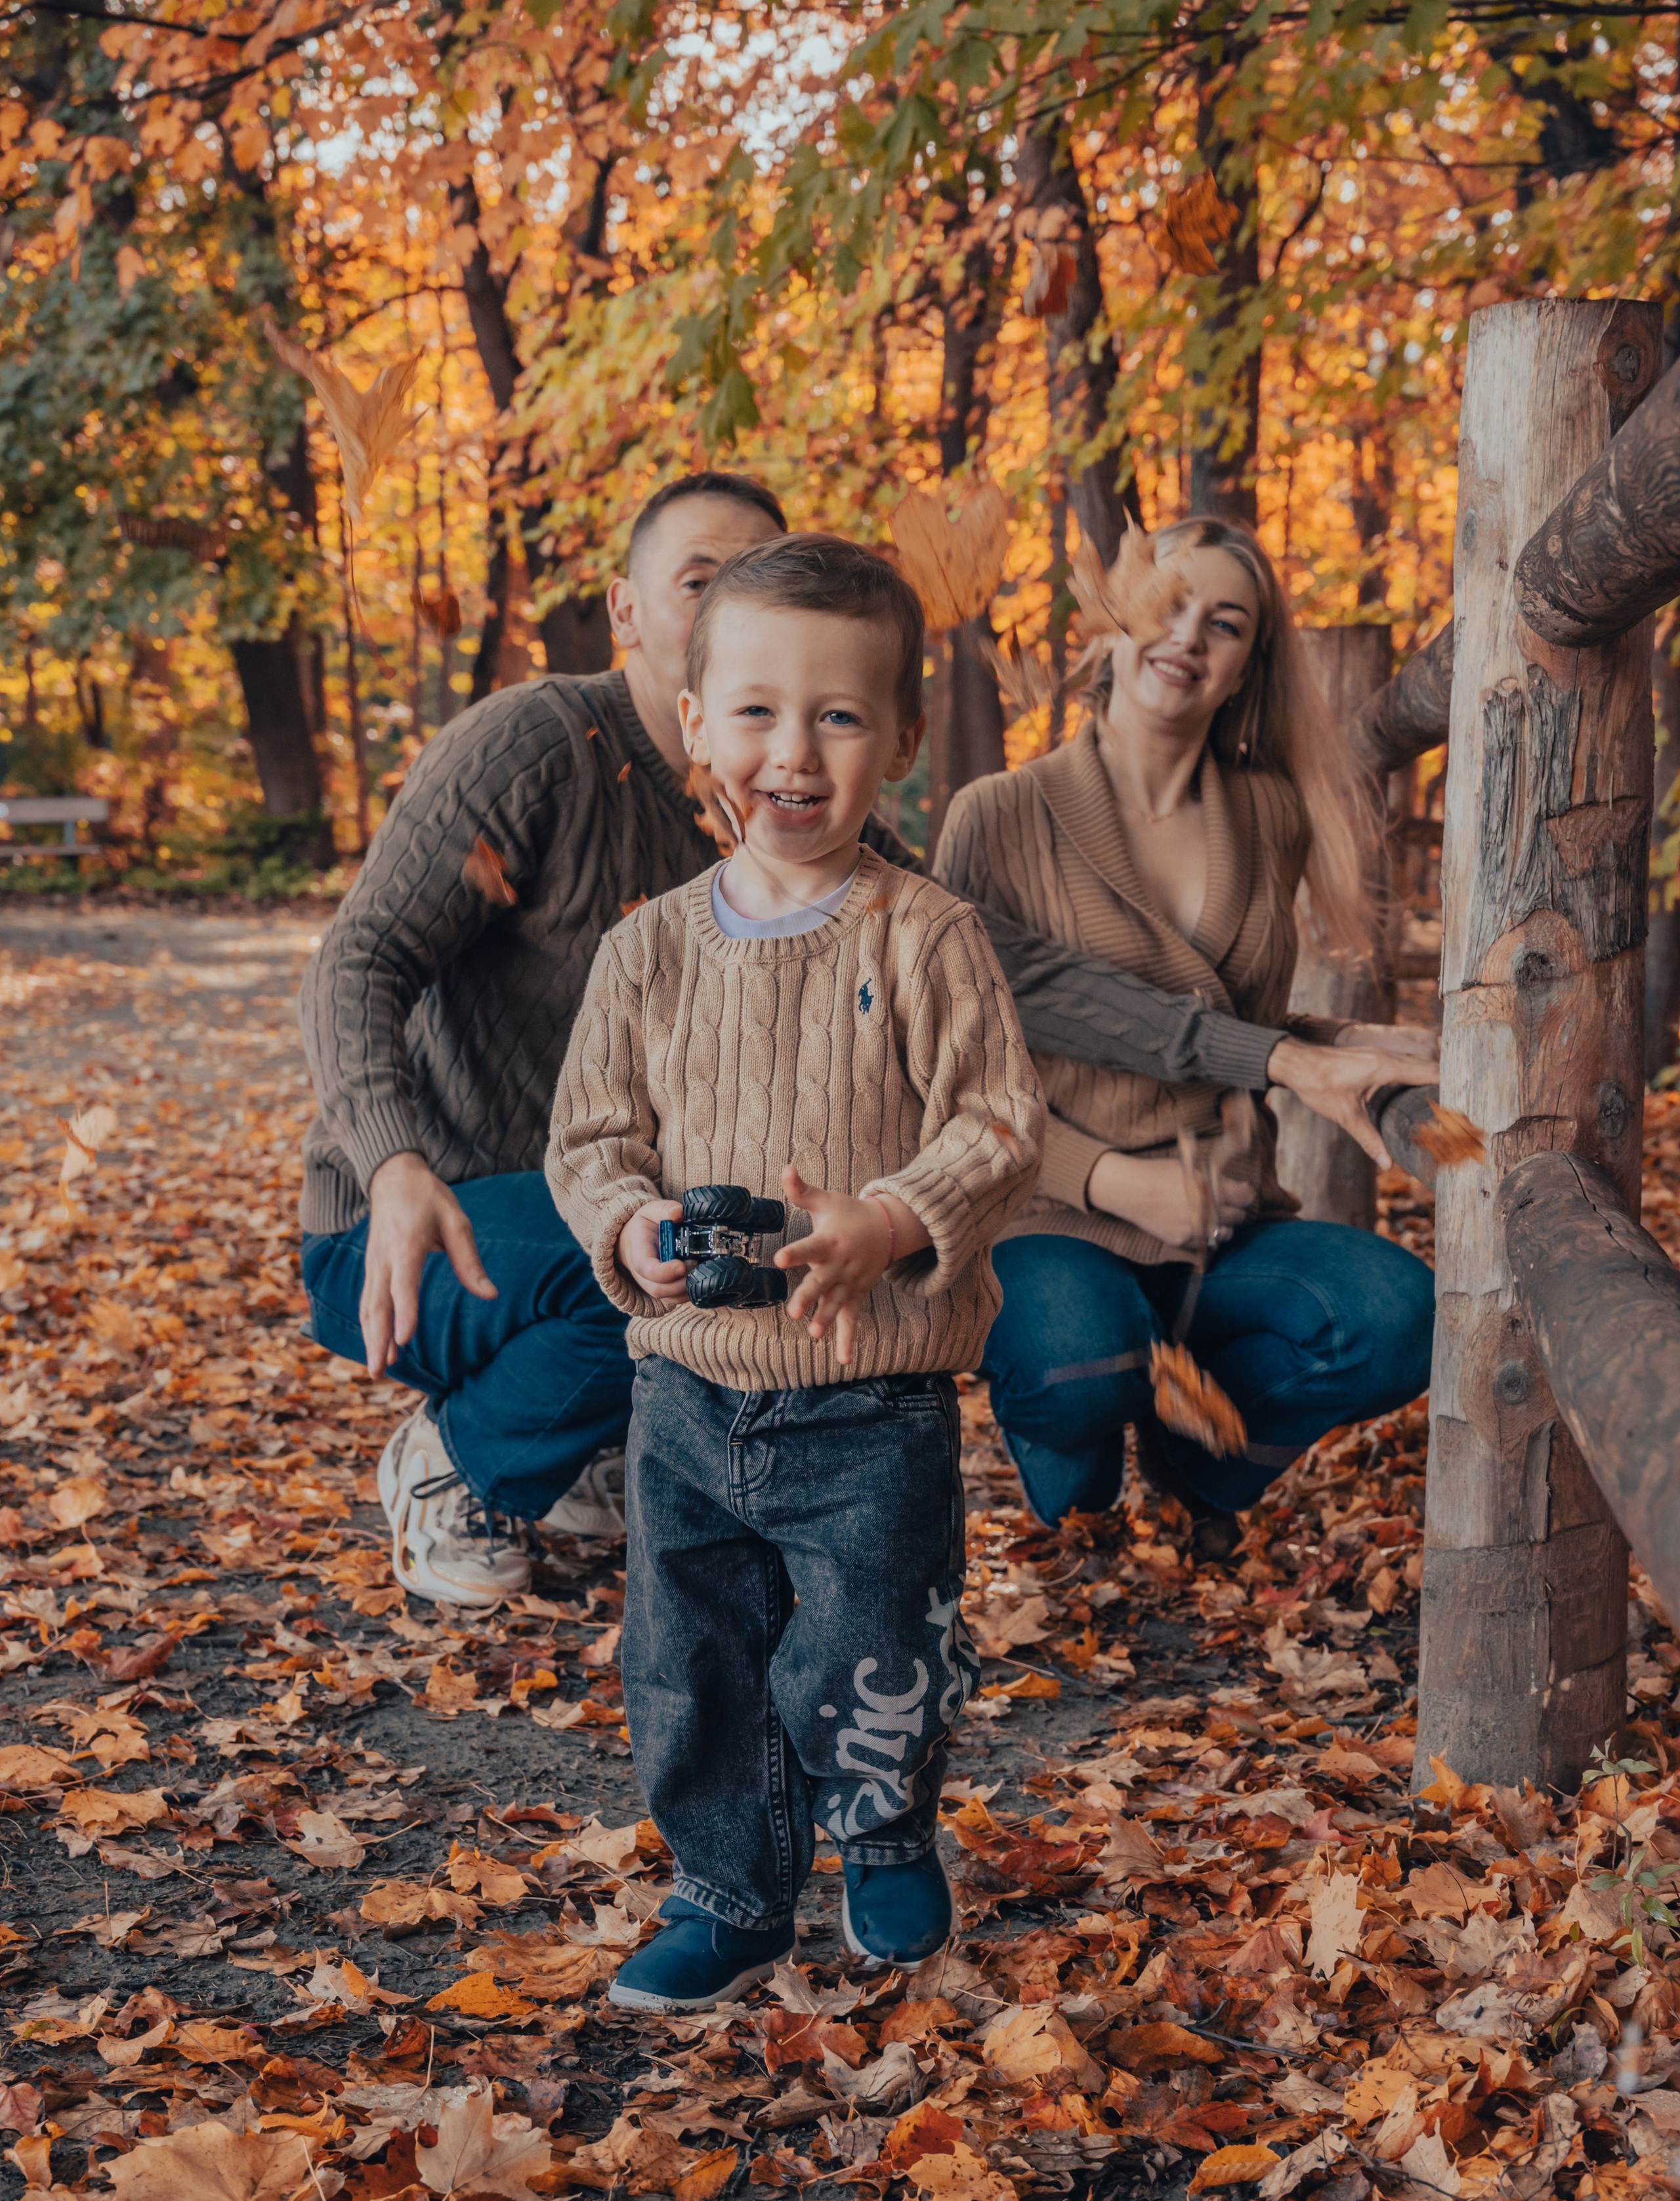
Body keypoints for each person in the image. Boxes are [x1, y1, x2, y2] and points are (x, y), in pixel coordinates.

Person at [299, 468, 1436, 1610]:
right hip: (421, 1221)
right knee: (679, 1267)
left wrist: (1289, 1052)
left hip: (647, 1218)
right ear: (630, 613)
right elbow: (358, 961)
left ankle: (591, 1433)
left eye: (753, 585)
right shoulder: (537, 749)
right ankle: (463, 1457)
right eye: (700, 582)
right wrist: (392, 1164)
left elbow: (1016, 984)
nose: (733, 623)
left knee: (733, 1269)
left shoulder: (822, 825)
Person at [547, 534, 1043, 2009]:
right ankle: (729, 1888)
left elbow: (1000, 1121)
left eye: (838, 716)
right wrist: (627, 1226)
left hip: (867, 1400)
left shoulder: (925, 933)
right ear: (694, 723)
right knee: (687, 1657)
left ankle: (881, 1829)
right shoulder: (645, 953)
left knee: (869, 1642)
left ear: (899, 737)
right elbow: (588, 1137)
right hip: (689, 1394)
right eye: (757, 711)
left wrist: (892, 1218)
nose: (795, 751)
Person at [933, 513, 1437, 1557]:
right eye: (1167, 604)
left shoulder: (1271, 815)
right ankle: (1079, 1497)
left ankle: (1197, 1460)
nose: (1188, 637)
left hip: (1224, 1225)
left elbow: (1221, 1020)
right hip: (1053, 1213)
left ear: (1250, 665)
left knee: (1401, 1314)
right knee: (1079, 1368)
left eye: (1227, 622)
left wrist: (1349, 1037)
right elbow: (959, 1066)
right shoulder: (999, 814)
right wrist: (1115, 1179)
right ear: (1111, 619)